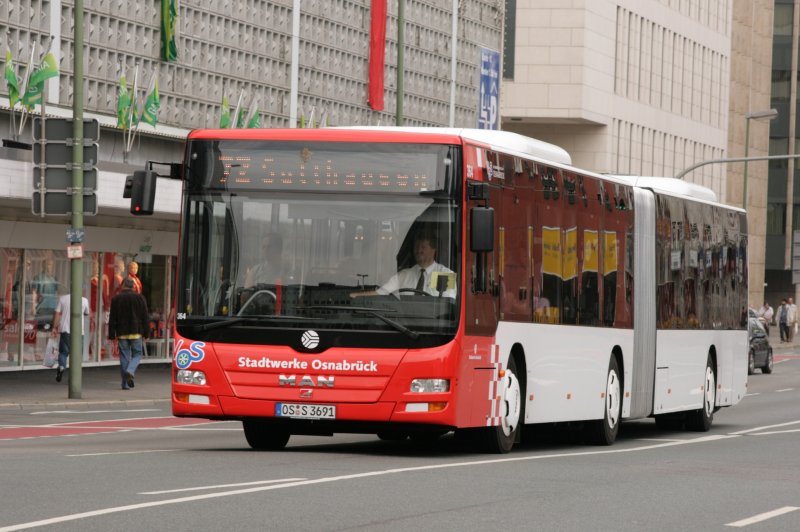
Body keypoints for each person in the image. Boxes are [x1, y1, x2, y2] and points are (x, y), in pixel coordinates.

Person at [352, 230, 456, 298]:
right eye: (416, 246)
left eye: (423, 247)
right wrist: (355, 295)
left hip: (434, 327)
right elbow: (379, 293)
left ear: (434, 249)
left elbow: (448, 305)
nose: (418, 250)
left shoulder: (447, 274)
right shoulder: (404, 275)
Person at [108, 278, 150, 390]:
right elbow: (145, 317)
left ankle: (125, 384)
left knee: (124, 357)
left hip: (122, 333)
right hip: (136, 332)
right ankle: (130, 371)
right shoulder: (140, 298)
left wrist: (112, 334)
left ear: (122, 286)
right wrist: (147, 333)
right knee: (137, 354)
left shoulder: (116, 299)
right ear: (133, 287)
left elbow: (112, 319)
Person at [52, 291, 91, 382]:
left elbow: (57, 314)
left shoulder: (63, 298)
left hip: (65, 331)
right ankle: (73, 378)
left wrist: (54, 327)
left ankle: (61, 366)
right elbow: (86, 313)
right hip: (78, 332)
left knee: (63, 352)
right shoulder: (84, 300)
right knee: (77, 355)